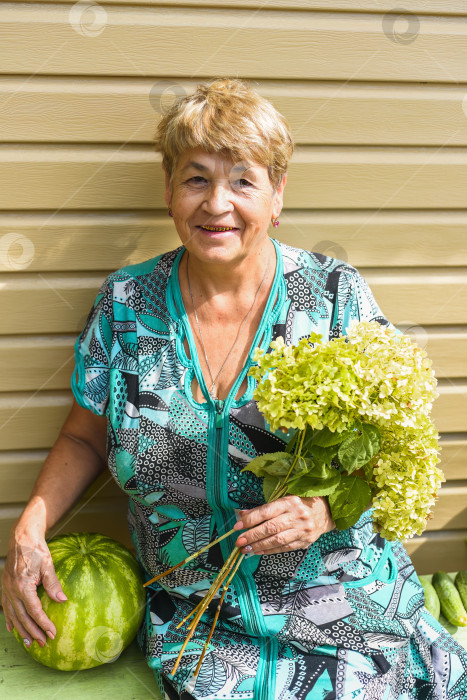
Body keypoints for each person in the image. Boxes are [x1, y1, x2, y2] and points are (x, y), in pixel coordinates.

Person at [2, 77, 466, 700]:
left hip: (338, 594)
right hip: (201, 616)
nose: (216, 204)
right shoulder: (124, 305)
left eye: (243, 181)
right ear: (169, 192)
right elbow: (86, 435)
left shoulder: (332, 299)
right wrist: (30, 530)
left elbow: (393, 447)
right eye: (196, 179)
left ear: (276, 195)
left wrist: (324, 509)